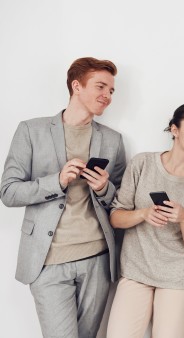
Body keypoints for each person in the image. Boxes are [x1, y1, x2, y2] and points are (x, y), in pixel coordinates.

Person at [0, 57, 126, 337]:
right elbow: (8, 192)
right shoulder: (31, 131)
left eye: (112, 91)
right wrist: (56, 181)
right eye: (101, 87)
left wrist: (104, 188)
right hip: (48, 261)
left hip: (97, 259)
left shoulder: (113, 140)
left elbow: (120, 203)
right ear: (76, 86)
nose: (107, 96)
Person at [106, 101, 184, 338]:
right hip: (136, 269)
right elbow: (115, 217)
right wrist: (144, 213)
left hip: (178, 275)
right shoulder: (142, 163)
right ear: (174, 130)